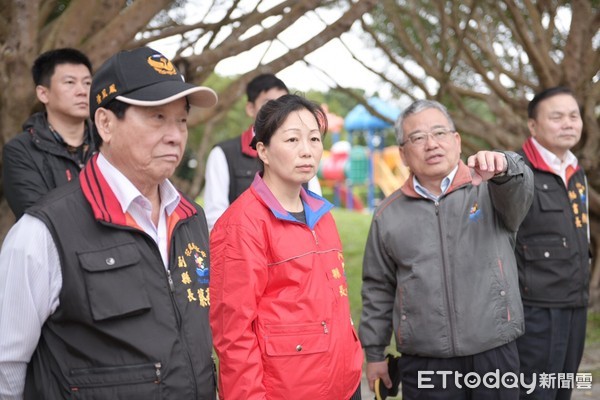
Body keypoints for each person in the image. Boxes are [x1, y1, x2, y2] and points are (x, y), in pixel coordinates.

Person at [0, 46, 218, 399]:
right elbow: (6, 368)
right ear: (105, 123)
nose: (175, 135)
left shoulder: (191, 218)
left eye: (181, 119)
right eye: (157, 117)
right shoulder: (43, 233)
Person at [359, 99, 534, 400]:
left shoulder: (494, 191)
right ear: (402, 153)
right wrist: (374, 354)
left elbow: (521, 184)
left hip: (493, 353)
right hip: (424, 361)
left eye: (440, 133)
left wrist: (507, 165)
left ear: (456, 140)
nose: (431, 144)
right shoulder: (388, 215)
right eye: (417, 138)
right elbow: (378, 288)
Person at [209, 94, 363, 400]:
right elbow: (233, 334)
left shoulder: (322, 215)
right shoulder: (242, 224)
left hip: (344, 386)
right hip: (287, 391)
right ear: (263, 150)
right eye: (292, 140)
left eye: (314, 139)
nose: (307, 151)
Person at [515, 87, 591, 400]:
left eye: (574, 116)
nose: (568, 123)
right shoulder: (517, 171)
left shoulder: (575, 170)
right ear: (533, 125)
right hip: (536, 311)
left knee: (562, 391)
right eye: (557, 117)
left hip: (575, 304)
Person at [204, 73, 321, 230]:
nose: (280, 111)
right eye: (269, 104)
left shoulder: (304, 155)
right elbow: (215, 219)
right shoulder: (224, 153)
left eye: (284, 103)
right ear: (250, 108)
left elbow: (316, 208)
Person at [2, 48, 97, 220]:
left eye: (87, 83)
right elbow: (38, 216)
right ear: (43, 94)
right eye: (70, 82)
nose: (82, 91)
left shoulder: (108, 142)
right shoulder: (20, 151)